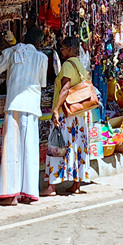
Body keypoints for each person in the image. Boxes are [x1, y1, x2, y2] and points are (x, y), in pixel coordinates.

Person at [0, 27, 48, 205]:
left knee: (11, 148)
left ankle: (11, 194)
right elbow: (42, 83)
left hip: (14, 103)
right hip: (31, 105)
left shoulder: (12, 51)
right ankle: (29, 192)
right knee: (29, 148)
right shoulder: (42, 57)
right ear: (38, 43)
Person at [47, 36, 91, 196]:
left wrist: (56, 110)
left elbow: (65, 89)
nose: (61, 51)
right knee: (76, 147)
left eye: (63, 48)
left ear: (71, 49)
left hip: (66, 114)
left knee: (58, 146)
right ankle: (76, 184)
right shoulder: (80, 65)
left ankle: (52, 186)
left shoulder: (67, 65)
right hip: (78, 115)